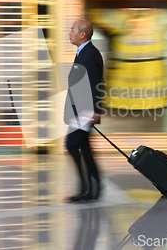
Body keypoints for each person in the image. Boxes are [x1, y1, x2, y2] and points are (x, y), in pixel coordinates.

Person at [64, 19, 104, 202]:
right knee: (84, 148)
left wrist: (96, 111)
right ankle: (92, 187)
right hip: (80, 110)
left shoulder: (91, 54)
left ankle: (88, 187)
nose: (69, 33)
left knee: (72, 144)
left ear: (82, 34)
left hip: (85, 111)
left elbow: (96, 83)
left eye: (72, 30)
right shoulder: (84, 52)